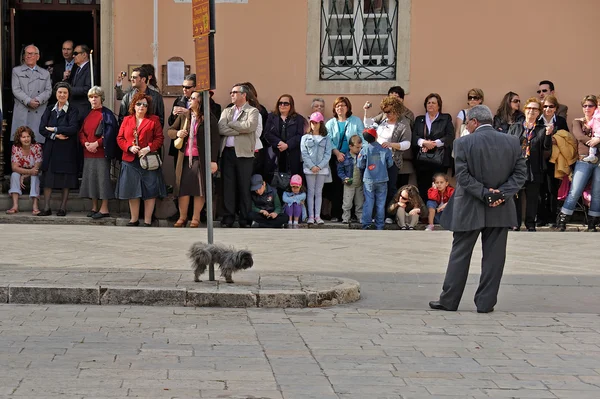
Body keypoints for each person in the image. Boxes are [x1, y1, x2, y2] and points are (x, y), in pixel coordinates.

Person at [429, 105, 526, 313]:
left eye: (467, 123)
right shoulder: (511, 141)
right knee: (495, 257)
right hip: (500, 208)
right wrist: (500, 194)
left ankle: (449, 300)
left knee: (460, 254)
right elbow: (520, 175)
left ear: (473, 122)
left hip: (469, 205)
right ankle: (485, 303)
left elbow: (462, 177)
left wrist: (485, 193)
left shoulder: (463, 142)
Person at [167, 90, 220, 228]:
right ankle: (182, 217)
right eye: (190, 98)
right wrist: (178, 133)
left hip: (200, 159)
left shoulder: (209, 118)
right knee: (182, 189)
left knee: (199, 189)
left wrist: (213, 160)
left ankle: (196, 218)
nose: (190, 100)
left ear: (200, 101)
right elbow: (170, 131)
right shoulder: (185, 116)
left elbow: (215, 141)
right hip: (184, 158)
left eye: (193, 98)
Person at [115, 92, 166, 226]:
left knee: (150, 190)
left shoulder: (153, 120)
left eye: (144, 104)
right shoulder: (127, 120)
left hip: (148, 160)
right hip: (130, 160)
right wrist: (129, 148)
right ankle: (134, 219)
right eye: (139, 104)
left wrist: (148, 148)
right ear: (133, 105)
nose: (141, 107)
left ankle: (148, 220)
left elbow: (159, 138)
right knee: (132, 190)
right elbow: (120, 138)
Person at [218, 84, 259, 228]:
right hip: (227, 152)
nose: (232, 94)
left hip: (244, 154)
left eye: (235, 92)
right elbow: (221, 127)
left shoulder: (252, 111)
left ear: (244, 95)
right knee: (228, 187)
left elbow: (250, 126)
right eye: (231, 92)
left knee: (243, 186)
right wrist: (238, 129)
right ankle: (228, 218)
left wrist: (232, 124)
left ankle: (245, 218)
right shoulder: (227, 110)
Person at [557, 95, 600, 232]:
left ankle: (592, 222)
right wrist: (594, 141)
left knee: (597, 192)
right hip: (583, 160)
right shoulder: (578, 122)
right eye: (585, 105)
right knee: (575, 190)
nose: (587, 108)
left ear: (596, 107)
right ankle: (563, 219)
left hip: (599, 160)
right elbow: (579, 136)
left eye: (590, 105)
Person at [366, 96, 412, 224]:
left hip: (392, 160)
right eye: (385, 111)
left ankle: (389, 215)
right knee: (377, 187)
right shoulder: (382, 119)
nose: (386, 114)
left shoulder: (403, 123)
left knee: (390, 187)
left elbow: (407, 144)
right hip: (377, 160)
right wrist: (366, 111)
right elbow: (368, 124)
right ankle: (376, 215)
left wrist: (391, 144)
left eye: (389, 111)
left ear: (396, 110)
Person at [508, 98, 552, 232]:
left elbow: (546, 148)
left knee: (533, 198)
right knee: (516, 196)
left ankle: (530, 223)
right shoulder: (515, 127)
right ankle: (515, 223)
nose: (531, 111)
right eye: (529, 108)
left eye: (535, 109)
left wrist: (549, 135)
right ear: (524, 110)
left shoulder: (542, 129)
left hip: (534, 168)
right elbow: (507, 145)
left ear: (539, 113)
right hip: (517, 167)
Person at [38, 82, 80, 216]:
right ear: (56, 94)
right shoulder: (49, 109)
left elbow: (73, 128)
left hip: (67, 150)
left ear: (68, 95)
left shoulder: (73, 110)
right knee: (48, 179)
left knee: (66, 179)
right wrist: (55, 135)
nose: (62, 95)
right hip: (51, 148)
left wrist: (55, 128)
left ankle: (62, 208)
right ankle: (46, 208)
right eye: (60, 92)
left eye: (65, 93)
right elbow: (42, 128)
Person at [78, 86, 118, 219]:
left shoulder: (107, 114)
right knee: (91, 180)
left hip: (101, 153)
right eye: (91, 97)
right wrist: (86, 144)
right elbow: (81, 132)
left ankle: (104, 208)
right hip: (88, 153)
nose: (93, 99)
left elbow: (110, 133)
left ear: (101, 98)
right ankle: (94, 207)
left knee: (102, 181)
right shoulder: (87, 114)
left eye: (96, 96)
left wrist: (97, 143)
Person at [324, 97, 364, 221]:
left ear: (348, 107)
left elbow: (362, 137)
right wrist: (336, 153)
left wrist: (360, 153)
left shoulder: (356, 121)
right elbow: (328, 139)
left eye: (343, 105)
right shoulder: (330, 123)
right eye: (337, 106)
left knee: (352, 185)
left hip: (353, 157)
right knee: (337, 186)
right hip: (336, 157)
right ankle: (336, 214)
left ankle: (352, 215)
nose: (340, 108)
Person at [412, 93, 454, 202]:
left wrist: (434, 143)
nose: (430, 105)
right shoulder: (419, 119)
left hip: (440, 160)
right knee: (423, 186)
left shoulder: (446, 118)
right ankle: (425, 213)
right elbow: (414, 136)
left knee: (439, 186)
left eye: (433, 103)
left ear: (439, 106)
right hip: (422, 160)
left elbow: (450, 136)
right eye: (428, 103)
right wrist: (424, 142)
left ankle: (437, 212)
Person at [537, 94, 569, 227]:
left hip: (554, 160)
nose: (548, 109)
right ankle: (540, 218)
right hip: (539, 158)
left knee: (552, 189)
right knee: (540, 189)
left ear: (555, 108)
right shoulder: (537, 121)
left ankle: (551, 218)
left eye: (551, 106)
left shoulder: (560, 121)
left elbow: (566, 137)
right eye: (545, 106)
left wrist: (555, 138)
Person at [11, 44, 53, 143]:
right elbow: (16, 89)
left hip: (38, 111)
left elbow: (48, 91)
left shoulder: (45, 73)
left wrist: (38, 100)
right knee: (21, 144)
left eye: (31, 54)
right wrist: (28, 101)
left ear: (37, 57)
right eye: (26, 54)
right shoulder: (16, 71)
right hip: (23, 111)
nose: (28, 56)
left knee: (36, 145)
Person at [301, 112, 333, 224]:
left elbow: (328, 154)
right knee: (310, 192)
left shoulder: (326, 138)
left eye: (317, 122)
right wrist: (312, 166)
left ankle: (317, 216)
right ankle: (310, 216)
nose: (314, 124)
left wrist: (319, 166)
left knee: (319, 192)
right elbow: (304, 154)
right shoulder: (305, 137)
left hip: (322, 169)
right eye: (312, 122)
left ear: (321, 123)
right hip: (309, 169)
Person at [358, 128, 393, 230]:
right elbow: (390, 163)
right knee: (381, 203)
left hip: (368, 179)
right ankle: (380, 225)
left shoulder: (364, 149)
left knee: (369, 201)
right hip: (382, 178)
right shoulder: (385, 149)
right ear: (376, 136)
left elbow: (360, 164)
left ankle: (366, 224)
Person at [264, 94, 305, 178]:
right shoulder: (271, 117)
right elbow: (267, 133)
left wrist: (287, 145)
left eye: (286, 103)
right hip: (275, 152)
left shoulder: (298, 119)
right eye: (280, 103)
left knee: (292, 179)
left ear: (291, 105)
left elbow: (300, 135)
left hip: (292, 153)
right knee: (274, 178)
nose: (282, 105)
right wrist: (279, 143)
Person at [6, 126, 42, 215]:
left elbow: (37, 167)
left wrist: (25, 175)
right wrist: (27, 172)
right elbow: (14, 167)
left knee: (34, 175)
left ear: (31, 137)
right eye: (23, 137)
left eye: (28, 136)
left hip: (34, 174)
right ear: (19, 139)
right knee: (14, 174)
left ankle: (35, 205)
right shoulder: (16, 148)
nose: (26, 139)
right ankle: (15, 206)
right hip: (23, 173)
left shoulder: (37, 147)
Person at [167, 74, 197, 169]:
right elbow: (171, 123)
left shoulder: (204, 101)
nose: (184, 89)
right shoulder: (179, 100)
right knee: (179, 175)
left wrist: (188, 112)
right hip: (180, 144)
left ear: (195, 88)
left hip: (195, 145)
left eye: (188, 87)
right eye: (183, 86)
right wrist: (173, 115)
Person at [337, 134, 364, 224]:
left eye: (360, 147)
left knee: (359, 202)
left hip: (359, 183)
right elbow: (340, 170)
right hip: (349, 184)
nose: (359, 149)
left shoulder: (361, 156)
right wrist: (344, 178)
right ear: (350, 146)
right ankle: (345, 217)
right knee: (347, 202)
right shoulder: (345, 157)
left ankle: (360, 217)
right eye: (357, 147)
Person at [69, 44, 92, 123]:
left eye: (75, 53)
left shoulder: (90, 69)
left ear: (84, 55)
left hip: (83, 109)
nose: (73, 56)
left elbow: (87, 89)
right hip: (75, 109)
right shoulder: (77, 69)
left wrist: (69, 89)